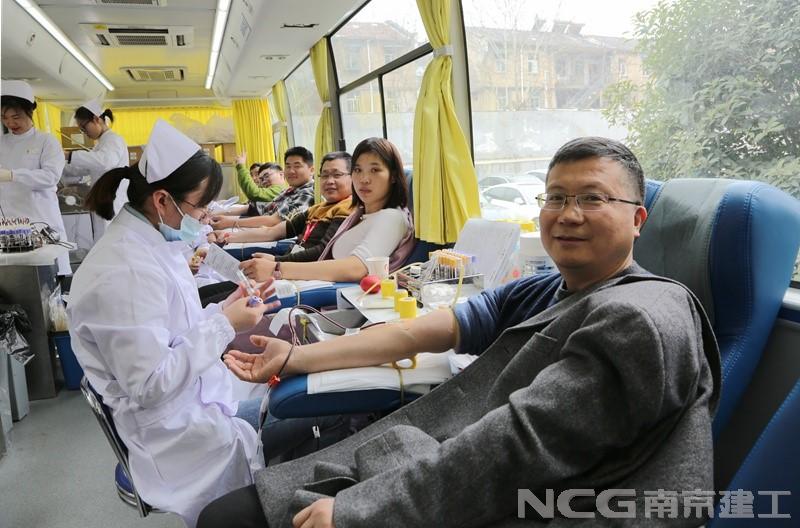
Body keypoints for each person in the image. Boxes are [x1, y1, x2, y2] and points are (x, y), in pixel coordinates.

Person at [198, 137, 721, 528]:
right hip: (457, 462)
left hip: (529, 502)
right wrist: (295, 357)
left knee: (231, 517)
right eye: (556, 198)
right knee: (235, 511)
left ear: (638, 219)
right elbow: (417, 333)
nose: (568, 215)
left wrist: (364, 509)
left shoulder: (642, 315)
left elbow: (521, 447)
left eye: (593, 199)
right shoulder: (544, 289)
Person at [67, 119, 278, 527]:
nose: (204, 218)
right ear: (163, 200)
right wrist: (224, 325)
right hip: (174, 432)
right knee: (298, 415)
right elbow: (150, 384)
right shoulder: (124, 269)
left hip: (192, 397)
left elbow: (176, 330)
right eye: (200, 208)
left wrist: (225, 309)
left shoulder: (153, 242)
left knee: (280, 391)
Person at [237, 138, 414, 283]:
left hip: (329, 295)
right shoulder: (360, 215)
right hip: (307, 281)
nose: (364, 179)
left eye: (375, 170)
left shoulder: (392, 217)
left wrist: (277, 268)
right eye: (358, 170)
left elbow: (356, 268)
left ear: (393, 176)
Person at [0, 80, 71, 274]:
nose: (10, 123)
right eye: (4, 118)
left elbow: (50, 176)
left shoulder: (46, 141)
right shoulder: (1, 143)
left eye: (16, 117)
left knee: (49, 278)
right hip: (11, 227)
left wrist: (13, 175)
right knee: (18, 280)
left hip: (41, 222)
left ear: (30, 112)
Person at [63, 99, 130, 241]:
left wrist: (70, 155)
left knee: (110, 241)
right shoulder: (101, 144)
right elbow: (86, 167)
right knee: (103, 240)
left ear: (96, 119)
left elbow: (104, 161)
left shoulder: (113, 140)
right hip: (102, 200)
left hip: (112, 201)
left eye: (84, 127)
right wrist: (61, 165)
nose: (84, 133)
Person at [212, 146, 315, 230]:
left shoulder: (306, 193)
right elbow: (255, 208)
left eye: (297, 166)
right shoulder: (288, 191)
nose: (291, 171)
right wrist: (218, 215)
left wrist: (230, 222)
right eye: (288, 166)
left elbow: (274, 221)